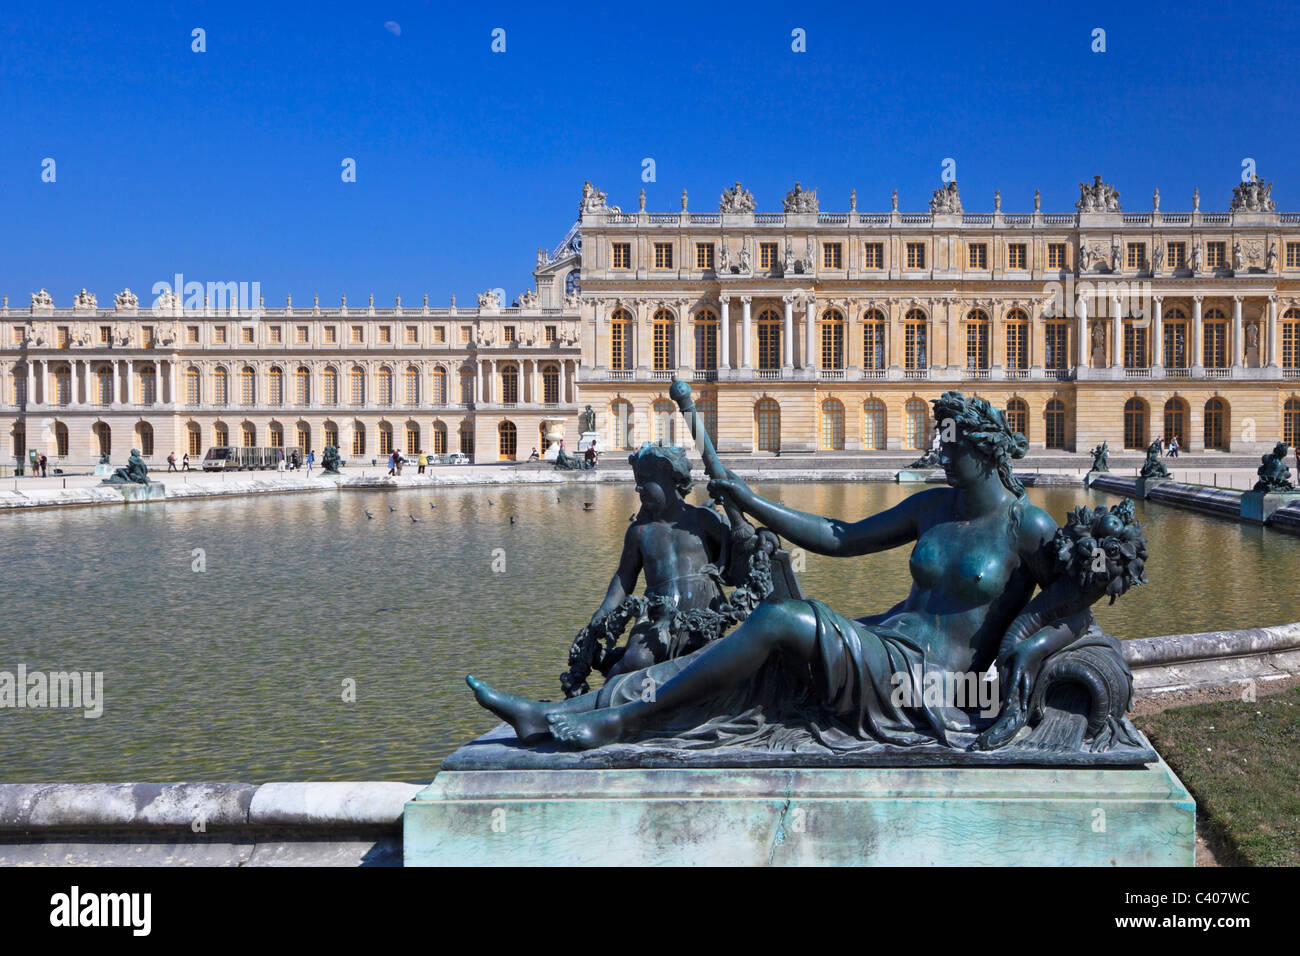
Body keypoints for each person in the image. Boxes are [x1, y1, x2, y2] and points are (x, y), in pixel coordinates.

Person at [468, 392, 1085, 752]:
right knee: (748, 661)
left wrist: (1024, 653)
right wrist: (753, 498)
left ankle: (617, 721)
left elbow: (1075, 605)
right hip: (889, 647)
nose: (938, 455)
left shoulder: (1025, 526)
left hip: (932, 687)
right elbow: (839, 537)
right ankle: (559, 711)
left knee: (779, 622)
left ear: (984, 452)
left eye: (950, 448)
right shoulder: (933, 508)